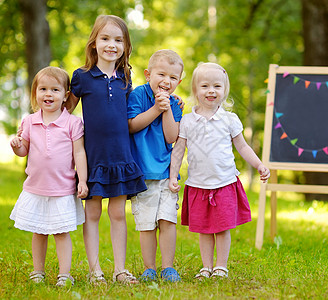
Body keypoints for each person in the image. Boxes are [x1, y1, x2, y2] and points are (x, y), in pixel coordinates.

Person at [168, 62, 270, 279]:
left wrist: (259, 164)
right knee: (204, 229)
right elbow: (178, 150)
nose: (211, 91)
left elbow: (242, 146)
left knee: (222, 228)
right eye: (205, 86)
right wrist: (172, 176)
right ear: (195, 90)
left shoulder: (229, 119)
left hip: (224, 183)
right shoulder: (187, 121)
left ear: (224, 90)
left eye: (217, 86)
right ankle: (206, 266)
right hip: (198, 184)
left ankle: (221, 266)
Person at [68, 15, 146, 285]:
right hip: (93, 158)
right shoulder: (82, 78)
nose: (111, 45)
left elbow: (134, 111)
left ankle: (120, 270)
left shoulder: (126, 78)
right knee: (92, 213)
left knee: (117, 213)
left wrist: (169, 100)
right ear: (94, 43)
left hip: (121, 156)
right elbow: (64, 112)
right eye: (105, 38)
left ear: (125, 45)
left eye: (118, 39)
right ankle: (95, 270)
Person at [10, 66, 88, 287]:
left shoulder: (73, 123)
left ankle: (65, 274)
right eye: (43, 89)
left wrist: (82, 180)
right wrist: (16, 146)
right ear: (35, 93)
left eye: (55, 90)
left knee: (61, 232)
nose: (48, 94)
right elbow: (23, 149)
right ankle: (38, 271)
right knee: (39, 231)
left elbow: (79, 153)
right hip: (36, 187)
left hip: (62, 188)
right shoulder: (29, 121)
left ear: (65, 95)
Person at [127, 49, 184, 282]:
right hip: (142, 173)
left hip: (166, 173)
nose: (166, 81)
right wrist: (155, 109)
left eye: (172, 78)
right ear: (148, 74)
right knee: (147, 224)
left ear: (179, 82)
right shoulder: (138, 95)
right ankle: (149, 267)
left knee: (167, 219)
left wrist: (168, 108)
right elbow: (131, 125)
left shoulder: (175, 104)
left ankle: (168, 267)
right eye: (161, 74)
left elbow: (172, 137)